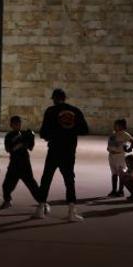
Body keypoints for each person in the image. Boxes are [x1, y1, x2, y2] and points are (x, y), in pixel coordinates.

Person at [35, 88, 90, 222]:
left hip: (54, 149)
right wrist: (70, 132)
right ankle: (71, 211)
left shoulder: (50, 111)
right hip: (69, 150)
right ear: (65, 98)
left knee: (46, 178)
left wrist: (51, 135)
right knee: (69, 180)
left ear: (54, 98)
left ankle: (40, 209)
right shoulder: (75, 111)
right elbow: (85, 130)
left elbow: (43, 133)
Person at [0, 116, 41, 209]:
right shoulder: (9, 136)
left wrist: (30, 138)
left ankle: (42, 203)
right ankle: (7, 200)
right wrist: (19, 143)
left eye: (18, 123)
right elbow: (8, 149)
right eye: (15, 123)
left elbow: (30, 147)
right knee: (6, 185)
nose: (17, 125)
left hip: (25, 163)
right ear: (11, 125)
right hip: (14, 164)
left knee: (32, 185)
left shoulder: (25, 134)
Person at [106, 119, 133, 197]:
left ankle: (120, 191)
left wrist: (130, 149)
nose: (114, 126)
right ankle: (114, 190)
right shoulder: (113, 134)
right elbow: (110, 143)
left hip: (120, 156)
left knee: (121, 174)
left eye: (116, 125)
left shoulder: (125, 134)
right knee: (114, 173)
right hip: (111, 155)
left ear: (121, 126)